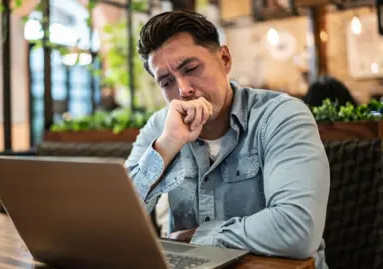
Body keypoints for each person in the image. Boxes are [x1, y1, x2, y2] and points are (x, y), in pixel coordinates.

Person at [124, 10, 330, 269]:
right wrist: (167, 145)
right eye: (166, 82)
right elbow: (116, 224)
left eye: (191, 68)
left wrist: (200, 237)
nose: (183, 89)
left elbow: (297, 230)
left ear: (224, 59)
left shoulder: (280, 116)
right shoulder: (161, 126)